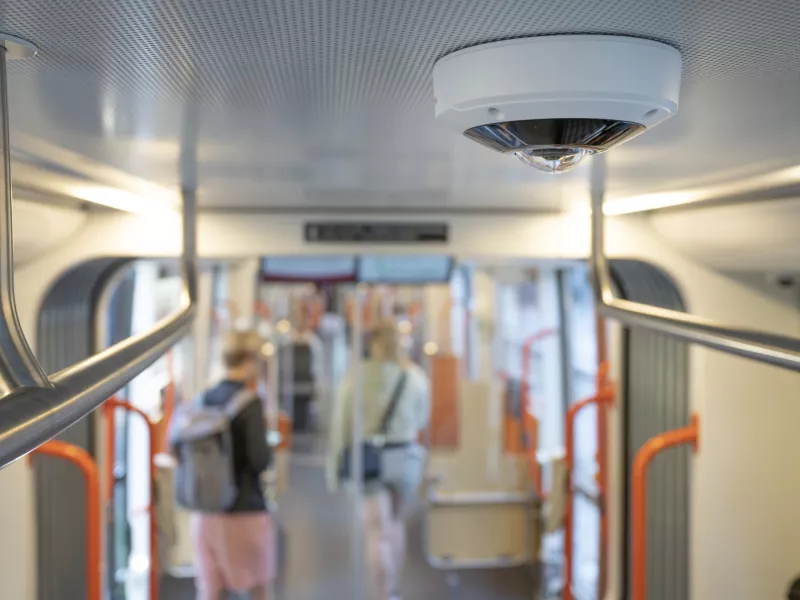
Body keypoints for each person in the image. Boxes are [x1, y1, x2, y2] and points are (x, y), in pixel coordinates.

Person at [327, 319, 431, 600]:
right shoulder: (415, 377)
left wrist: (335, 470)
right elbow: (422, 419)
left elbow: (342, 426)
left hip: (370, 458)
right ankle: (394, 587)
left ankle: (381, 592)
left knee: (376, 529)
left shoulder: (355, 379)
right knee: (395, 521)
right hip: (405, 458)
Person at [190, 330, 274, 600]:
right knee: (257, 586)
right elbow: (260, 459)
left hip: (206, 511)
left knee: (213, 590)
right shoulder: (249, 404)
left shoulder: (202, 399)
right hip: (244, 509)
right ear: (250, 359)